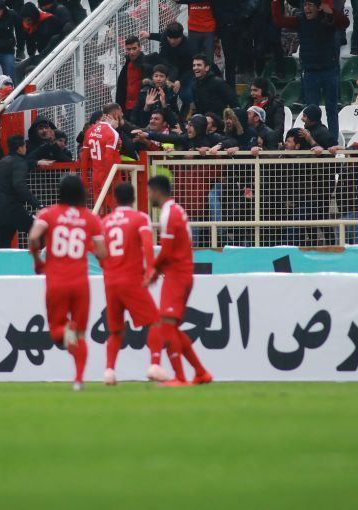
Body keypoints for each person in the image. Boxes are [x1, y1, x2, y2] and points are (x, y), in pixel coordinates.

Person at [28, 174, 107, 390]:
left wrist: (37, 260)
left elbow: (33, 237)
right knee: (79, 334)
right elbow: (102, 252)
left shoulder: (48, 213)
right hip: (80, 283)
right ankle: (79, 380)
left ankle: (66, 331)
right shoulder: (91, 218)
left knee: (57, 332)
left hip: (56, 281)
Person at [147, 175, 212, 386]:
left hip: (177, 275)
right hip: (182, 273)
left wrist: (152, 272)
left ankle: (180, 377)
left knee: (167, 326)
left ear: (156, 191)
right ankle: (201, 373)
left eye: (149, 192)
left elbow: (166, 251)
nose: (148, 196)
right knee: (171, 327)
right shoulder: (177, 210)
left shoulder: (169, 214)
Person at [100, 182, 168, 386]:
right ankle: (154, 364)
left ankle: (109, 371)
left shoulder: (105, 221)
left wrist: (106, 267)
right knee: (154, 322)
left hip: (110, 280)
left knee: (116, 330)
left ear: (115, 199)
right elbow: (147, 244)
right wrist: (150, 270)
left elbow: (97, 249)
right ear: (134, 198)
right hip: (131, 279)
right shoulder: (140, 218)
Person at [271, 0, 349, 140]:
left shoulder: (328, 19)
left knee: (332, 109)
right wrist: (276, 3)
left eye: (310, 5)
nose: (306, 8)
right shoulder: (300, 20)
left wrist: (331, 12)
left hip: (329, 70)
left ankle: (333, 141)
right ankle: (312, 140)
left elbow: (345, 23)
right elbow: (280, 21)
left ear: (319, 7)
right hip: (310, 71)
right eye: (305, 5)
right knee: (311, 111)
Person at [0, 134, 41, 247]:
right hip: (13, 209)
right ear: (20, 148)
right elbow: (19, 186)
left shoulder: (3, 161)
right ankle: (39, 258)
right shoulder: (20, 163)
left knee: (1, 250)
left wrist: (35, 162)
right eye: (25, 146)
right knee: (42, 232)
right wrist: (38, 205)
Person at [140, 22, 196, 118]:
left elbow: (190, 69)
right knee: (147, 60)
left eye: (176, 39)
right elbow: (160, 36)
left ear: (181, 36)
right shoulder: (165, 36)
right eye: (170, 38)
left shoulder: (188, 48)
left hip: (182, 71)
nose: (172, 41)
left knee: (186, 94)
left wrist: (179, 80)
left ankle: (187, 112)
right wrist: (149, 35)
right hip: (166, 65)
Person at [80, 103, 122, 214]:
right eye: (121, 113)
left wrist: (84, 179)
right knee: (115, 210)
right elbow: (108, 157)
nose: (122, 115)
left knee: (99, 210)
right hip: (110, 176)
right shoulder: (112, 133)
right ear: (116, 114)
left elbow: (84, 158)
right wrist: (108, 180)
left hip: (95, 176)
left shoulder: (90, 131)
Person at [116, 35, 154, 123]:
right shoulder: (127, 65)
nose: (131, 52)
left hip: (142, 107)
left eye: (134, 48)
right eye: (128, 49)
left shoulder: (148, 63)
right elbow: (121, 87)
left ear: (140, 48)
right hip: (127, 107)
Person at [245, 77, 286, 143]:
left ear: (263, 91)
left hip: (269, 142)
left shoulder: (276, 106)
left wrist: (265, 139)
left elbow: (279, 128)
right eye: (251, 90)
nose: (252, 93)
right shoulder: (249, 104)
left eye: (255, 90)